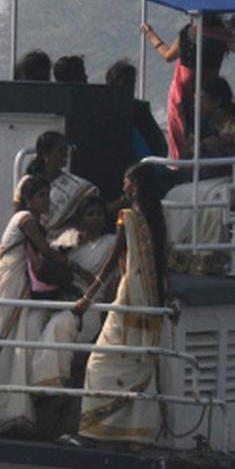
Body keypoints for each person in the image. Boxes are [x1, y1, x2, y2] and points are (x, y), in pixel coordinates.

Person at [0, 175, 96, 435]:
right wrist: (78, 270)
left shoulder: (32, 221)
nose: (46, 200)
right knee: (6, 339)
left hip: (15, 281)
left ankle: (9, 410)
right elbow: (46, 251)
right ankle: (0, 410)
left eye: (47, 195)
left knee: (11, 340)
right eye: (41, 195)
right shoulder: (25, 219)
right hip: (9, 281)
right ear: (29, 200)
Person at [74, 163, 173, 446]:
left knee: (99, 362)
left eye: (127, 184)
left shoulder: (127, 219)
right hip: (150, 301)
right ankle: (134, 433)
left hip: (131, 299)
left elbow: (109, 264)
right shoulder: (157, 219)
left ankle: (95, 432)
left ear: (138, 187)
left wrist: (87, 296)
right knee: (138, 362)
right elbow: (164, 265)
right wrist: (171, 297)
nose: (124, 188)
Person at [32, 196, 117, 438]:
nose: (97, 218)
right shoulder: (67, 239)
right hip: (59, 297)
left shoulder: (111, 244)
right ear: (81, 218)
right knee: (32, 319)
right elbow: (48, 264)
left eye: (100, 214)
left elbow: (103, 284)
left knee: (62, 323)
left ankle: (46, 384)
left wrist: (77, 269)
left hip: (89, 305)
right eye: (91, 214)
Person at [164, 75, 235, 275]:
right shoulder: (207, 124)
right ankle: (181, 252)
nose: (197, 103)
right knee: (176, 194)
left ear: (217, 101)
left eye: (202, 99)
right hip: (213, 175)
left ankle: (210, 256)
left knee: (211, 200)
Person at [141, 15, 235, 160]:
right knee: (199, 138)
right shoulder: (221, 35)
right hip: (202, 99)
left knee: (191, 139)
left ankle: (185, 168)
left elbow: (168, 55)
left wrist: (151, 35)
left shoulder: (190, 32)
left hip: (189, 98)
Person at [26, 131, 99, 237]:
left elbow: (93, 210)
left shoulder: (77, 185)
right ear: (44, 154)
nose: (66, 154)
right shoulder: (28, 182)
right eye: (60, 150)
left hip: (67, 244)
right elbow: (20, 217)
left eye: (66, 149)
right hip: (34, 244)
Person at [105, 59, 168, 162]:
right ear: (112, 86)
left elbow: (160, 148)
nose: (131, 87)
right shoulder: (102, 112)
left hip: (145, 167)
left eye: (132, 82)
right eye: (126, 82)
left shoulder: (140, 109)